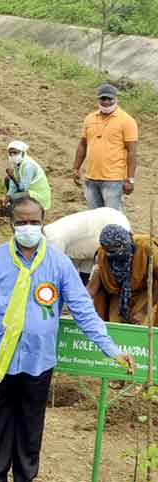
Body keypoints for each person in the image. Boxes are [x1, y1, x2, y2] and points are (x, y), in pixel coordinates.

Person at [0, 196, 133, 482]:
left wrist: (112, 350)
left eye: (34, 222)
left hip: (38, 363)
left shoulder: (59, 263)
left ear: (43, 223)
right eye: (21, 222)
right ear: (11, 224)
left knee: (30, 429)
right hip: (0, 360)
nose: (28, 227)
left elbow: (83, 310)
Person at [73, 84, 138, 212]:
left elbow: (132, 152)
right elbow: (83, 145)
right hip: (91, 178)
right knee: (95, 217)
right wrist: (76, 168)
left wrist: (130, 179)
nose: (106, 102)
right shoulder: (90, 119)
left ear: (116, 99)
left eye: (110, 99)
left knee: (114, 217)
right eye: (103, 99)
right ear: (98, 99)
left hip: (113, 179)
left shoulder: (127, 121)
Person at [88, 224, 158, 325]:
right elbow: (91, 288)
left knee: (143, 328)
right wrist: (77, 302)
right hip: (119, 295)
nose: (113, 254)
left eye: (116, 249)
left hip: (146, 292)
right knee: (115, 329)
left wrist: (144, 311)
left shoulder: (146, 248)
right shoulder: (102, 255)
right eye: (109, 251)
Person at [44, 207, 130, 284]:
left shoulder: (53, 238)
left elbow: (54, 272)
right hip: (92, 235)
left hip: (105, 224)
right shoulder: (54, 237)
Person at [3, 140, 51, 212]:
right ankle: (16, 204)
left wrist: (12, 177)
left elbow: (23, 188)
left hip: (38, 195)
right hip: (29, 191)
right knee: (7, 179)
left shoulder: (28, 166)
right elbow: (13, 185)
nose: (12, 155)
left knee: (13, 198)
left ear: (22, 153)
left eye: (15, 153)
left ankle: (19, 207)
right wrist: (8, 195)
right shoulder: (17, 163)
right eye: (10, 153)